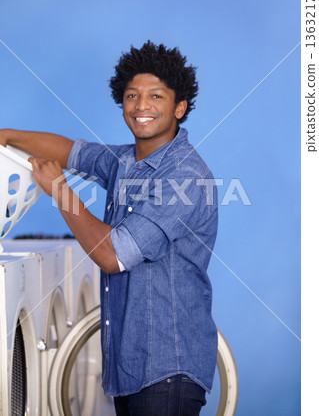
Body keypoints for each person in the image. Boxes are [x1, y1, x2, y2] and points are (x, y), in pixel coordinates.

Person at [0, 41, 218, 415]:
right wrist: (5, 136)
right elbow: (70, 150)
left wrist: (60, 191)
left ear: (179, 107)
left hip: (168, 369)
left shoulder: (185, 177)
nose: (141, 106)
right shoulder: (125, 161)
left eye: (156, 96)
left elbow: (112, 255)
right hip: (130, 367)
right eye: (132, 95)